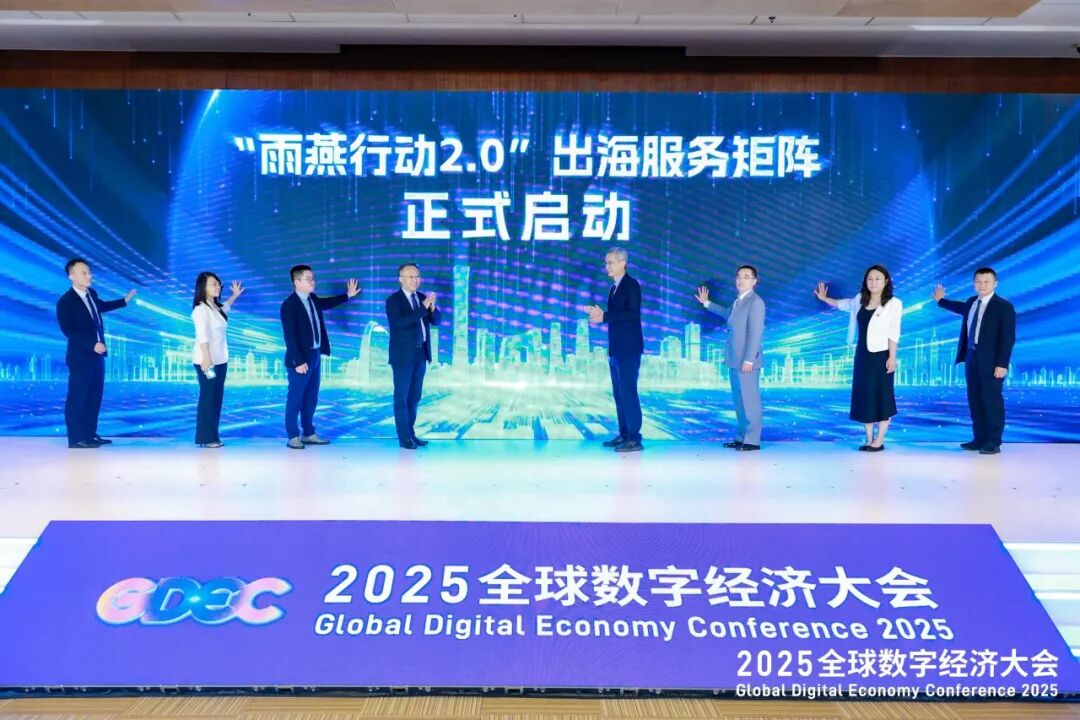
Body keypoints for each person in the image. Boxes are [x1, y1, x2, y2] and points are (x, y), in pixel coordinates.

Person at [814, 265, 903, 451]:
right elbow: (843, 304)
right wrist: (825, 299)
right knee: (864, 396)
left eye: (877, 279)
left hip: (881, 355)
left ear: (886, 281)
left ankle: (879, 440)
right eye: (870, 279)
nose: (873, 282)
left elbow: (894, 332)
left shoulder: (894, 303)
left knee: (882, 397)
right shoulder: (859, 299)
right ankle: (869, 438)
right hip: (862, 355)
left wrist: (892, 357)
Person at [933, 268, 1016, 455]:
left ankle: (993, 442)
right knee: (975, 399)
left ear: (995, 283)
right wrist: (941, 301)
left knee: (991, 400)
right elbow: (959, 307)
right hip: (971, 358)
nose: (982, 285)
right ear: (974, 283)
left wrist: (1002, 364)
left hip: (992, 362)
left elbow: (1008, 338)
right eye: (978, 281)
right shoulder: (972, 302)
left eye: (987, 282)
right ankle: (979, 439)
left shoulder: (1004, 306)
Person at [55, 258, 136, 449]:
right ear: (71, 276)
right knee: (78, 397)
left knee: (94, 397)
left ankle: (90, 435)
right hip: (81, 357)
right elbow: (68, 330)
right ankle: (76, 438)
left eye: (89, 272)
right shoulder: (66, 302)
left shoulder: (91, 293)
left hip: (98, 355)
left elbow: (101, 306)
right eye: (84, 273)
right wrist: (92, 344)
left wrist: (124, 300)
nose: (89, 276)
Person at [279, 264, 360, 450]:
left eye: (313, 278)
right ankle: (293, 436)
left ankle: (308, 433)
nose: (313, 282)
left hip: (315, 355)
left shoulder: (313, 299)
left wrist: (347, 296)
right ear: (297, 282)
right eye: (308, 279)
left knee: (311, 398)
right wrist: (299, 361)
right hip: (300, 360)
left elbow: (328, 303)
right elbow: (289, 337)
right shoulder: (289, 305)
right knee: (295, 399)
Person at [695, 265, 766, 451]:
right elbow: (728, 314)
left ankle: (752, 440)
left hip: (747, 361)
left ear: (754, 281)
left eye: (746, 277)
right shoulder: (738, 301)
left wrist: (749, 359)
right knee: (739, 401)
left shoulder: (755, 302)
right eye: (738, 277)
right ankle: (742, 436)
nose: (741, 280)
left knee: (750, 401)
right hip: (735, 359)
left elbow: (755, 333)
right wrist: (706, 303)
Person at [584, 247, 644, 453]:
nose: (607, 266)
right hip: (616, 349)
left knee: (628, 392)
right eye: (606, 263)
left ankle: (634, 438)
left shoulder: (631, 285)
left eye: (610, 262)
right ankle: (624, 434)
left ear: (622, 263)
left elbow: (632, 314)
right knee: (619, 394)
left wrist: (605, 316)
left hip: (629, 349)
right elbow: (616, 316)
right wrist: (601, 316)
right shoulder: (614, 288)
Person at [386, 263, 441, 449]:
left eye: (417, 276)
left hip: (421, 354)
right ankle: (404, 438)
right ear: (400, 279)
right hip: (402, 357)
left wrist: (432, 308)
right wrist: (423, 307)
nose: (415, 280)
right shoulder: (393, 300)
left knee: (414, 396)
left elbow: (436, 321)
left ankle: (411, 433)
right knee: (401, 397)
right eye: (410, 277)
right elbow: (400, 323)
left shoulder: (422, 298)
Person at [191, 272, 244, 448]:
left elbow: (225, 308)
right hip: (207, 361)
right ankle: (206, 438)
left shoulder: (215, 307)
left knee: (216, 399)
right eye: (213, 284)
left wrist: (234, 296)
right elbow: (202, 335)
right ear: (203, 287)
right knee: (208, 398)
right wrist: (206, 358)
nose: (217, 287)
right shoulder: (201, 309)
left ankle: (212, 436)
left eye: (218, 284)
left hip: (221, 361)